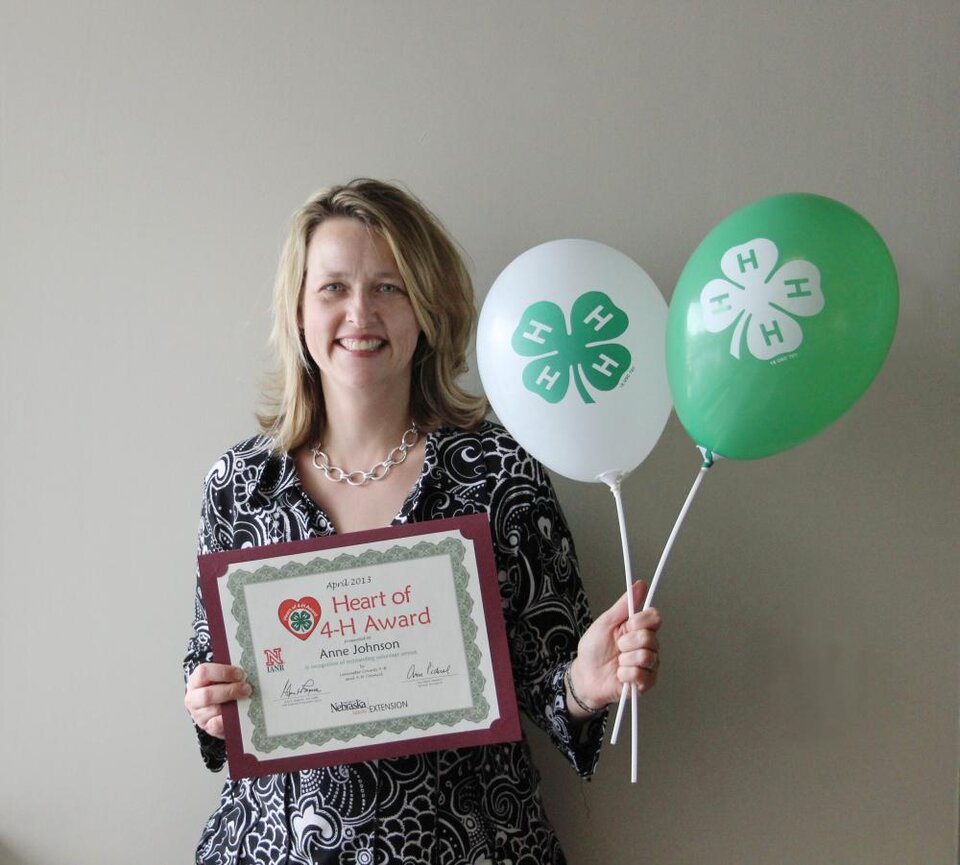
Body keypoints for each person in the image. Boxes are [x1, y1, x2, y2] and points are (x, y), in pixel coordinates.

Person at [183, 178, 662, 865]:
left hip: (471, 847)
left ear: (426, 308)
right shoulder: (240, 486)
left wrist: (587, 684)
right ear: (296, 310)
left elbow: (550, 685)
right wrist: (207, 700)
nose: (360, 312)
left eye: (390, 286)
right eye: (333, 288)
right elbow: (213, 674)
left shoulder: (499, 471)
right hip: (276, 848)